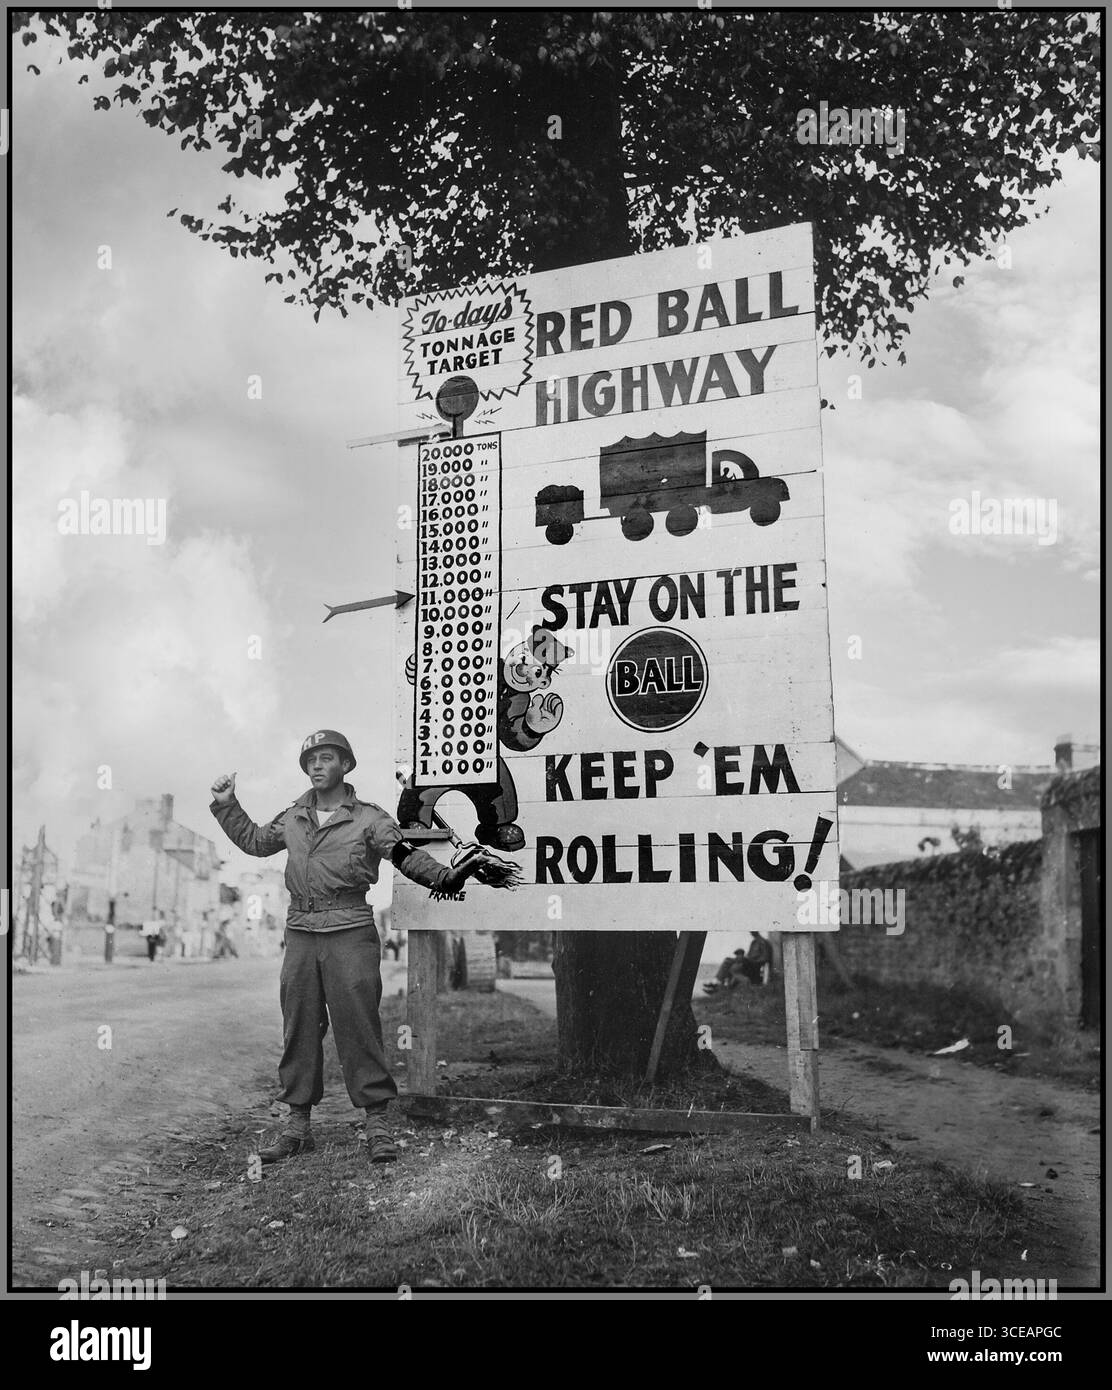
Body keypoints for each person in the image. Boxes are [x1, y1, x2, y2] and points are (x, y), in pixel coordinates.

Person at [209, 728, 493, 1165]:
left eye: (326, 758)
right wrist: (228, 804)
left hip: (350, 929)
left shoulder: (369, 818)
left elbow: (402, 853)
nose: (317, 766)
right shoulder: (294, 817)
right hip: (302, 930)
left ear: (345, 765)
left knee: (358, 1024)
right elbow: (253, 841)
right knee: (299, 1024)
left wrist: (442, 877)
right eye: (311, 760)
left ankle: (377, 1126)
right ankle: (298, 1127)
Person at [703, 931, 774, 994]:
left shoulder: (763, 942)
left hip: (754, 967)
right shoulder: (754, 942)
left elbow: (765, 958)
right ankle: (719, 985)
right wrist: (745, 958)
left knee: (728, 961)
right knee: (732, 965)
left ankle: (717, 983)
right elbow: (749, 955)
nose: (751, 932)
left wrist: (751, 960)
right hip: (748, 965)